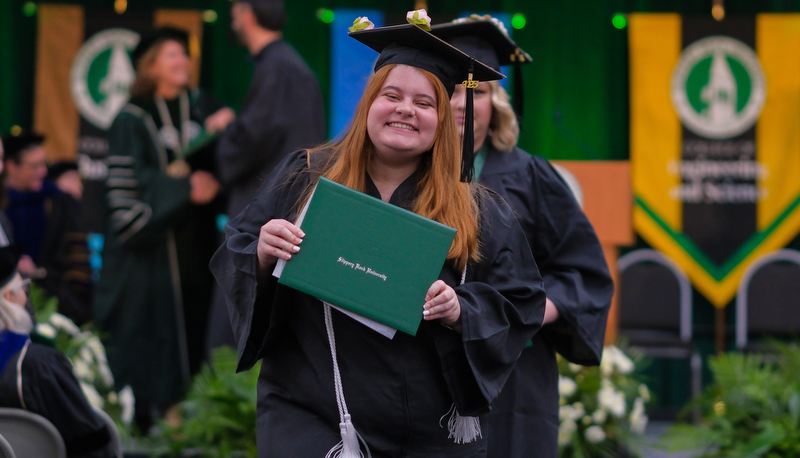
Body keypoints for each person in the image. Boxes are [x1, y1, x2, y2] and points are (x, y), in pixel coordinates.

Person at [210, 16, 546, 457]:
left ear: (443, 120)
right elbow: (237, 245)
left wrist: (461, 309)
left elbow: (521, 301)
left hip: (429, 431)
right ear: (368, 103)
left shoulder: (480, 210)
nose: (406, 109)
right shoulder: (306, 176)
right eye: (391, 95)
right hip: (316, 415)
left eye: (425, 103)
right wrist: (261, 251)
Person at [432, 16, 615, 457]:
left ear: (497, 102)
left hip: (515, 370)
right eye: (451, 89)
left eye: (477, 91)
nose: (462, 103)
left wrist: (535, 310)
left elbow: (581, 270)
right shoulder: (409, 175)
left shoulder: (530, 177)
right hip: (430, 363)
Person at [93, 26, 227, 433]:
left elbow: (229, 166)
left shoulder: (205, 107)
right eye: (171, 55)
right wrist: (185, 187)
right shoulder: (131, 118)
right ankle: (152, 424)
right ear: (150, 66)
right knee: (151, 335)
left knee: (202, 326)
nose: (181, 61)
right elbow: (126, 205)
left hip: (199, 247)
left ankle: (197, 419)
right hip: (148, 256)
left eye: (183, 54)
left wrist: (226, 132)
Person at [207, 0, 327, 352]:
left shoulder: (277, 67)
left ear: (245, 13)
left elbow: (255, 136)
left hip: (266, 202)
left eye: (233, 15)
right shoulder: (293, 65)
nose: (232, 23)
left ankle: (227, 391)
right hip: (292, 204)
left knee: (242, 295)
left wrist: (228, 129)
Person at [0, 244, 115, 457]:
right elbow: (93, 446)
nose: (27, 296)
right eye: (24, 287)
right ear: (9, 297)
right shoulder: (38, 366)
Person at [3, 133, 92, 325]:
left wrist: (41, 272)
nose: (43, 172)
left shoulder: (59, 202)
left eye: (44, 164)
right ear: (11, 166)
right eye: (35, 166)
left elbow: (76, 264)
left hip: (53, 301)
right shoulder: (3, 205)